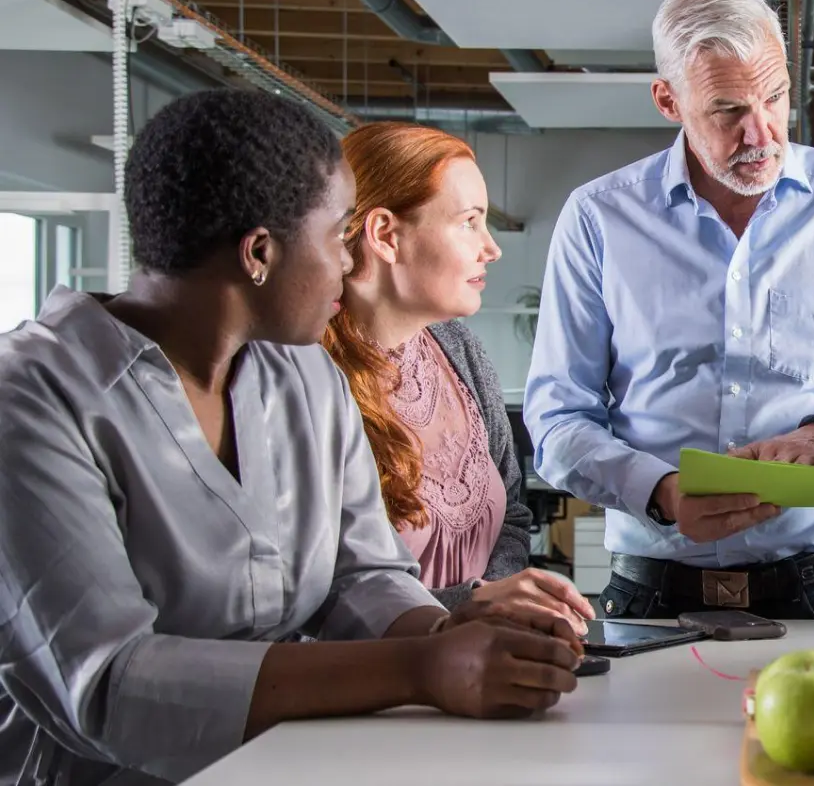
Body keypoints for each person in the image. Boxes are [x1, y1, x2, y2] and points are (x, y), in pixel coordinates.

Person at [0, 90, 581, 786]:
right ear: (260, 253)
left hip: (292, 764)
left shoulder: (302, 371)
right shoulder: (34, 398)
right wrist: (419, 667)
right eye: (340, 236)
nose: (349, 262)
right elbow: (110, 684)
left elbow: (362, 574)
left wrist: (444, 635)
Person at [524, 0, 814, 620]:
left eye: (776, 98)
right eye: (728, 110)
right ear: (668, 100)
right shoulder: (599, 220)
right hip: (651, 593)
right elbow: (557, 421)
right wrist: (663, 493)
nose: (761, 135)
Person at [322, 122, 594, 636]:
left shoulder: (461, 351)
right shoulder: (306, 380)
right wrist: (466, 609)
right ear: (385, 235)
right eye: (469, 222)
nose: (491, 248)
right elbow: (315, 596)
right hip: (371, 687)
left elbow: (513, 516)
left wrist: (497, 607)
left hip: (481, 673)